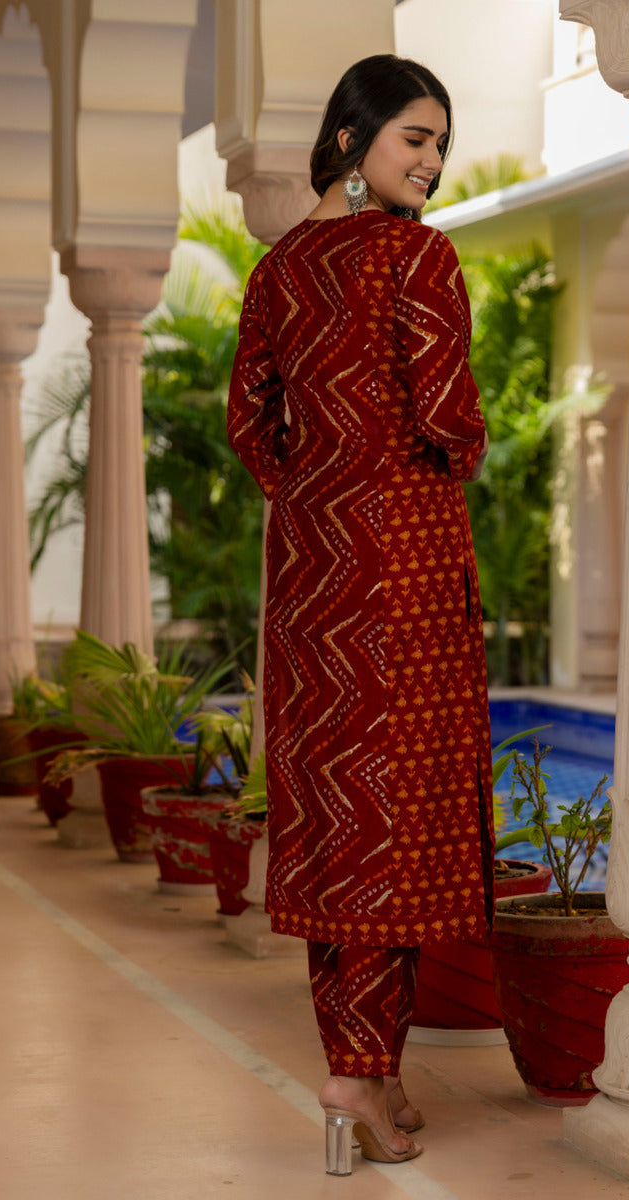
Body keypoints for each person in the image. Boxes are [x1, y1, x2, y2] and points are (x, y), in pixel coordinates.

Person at [227, 54, 493, 1176]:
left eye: (438, 142)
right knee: (401, 825)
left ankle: (366, 1066)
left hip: (311, 580)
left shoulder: (279, 271)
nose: (429, 162)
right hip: (410, 569)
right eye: (412, 138)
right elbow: (448, 418)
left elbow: (252, 425)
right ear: (350, 139)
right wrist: (439, 454)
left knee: (341, 816)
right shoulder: (419, 262)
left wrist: (316, 492)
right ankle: (354, 1075)